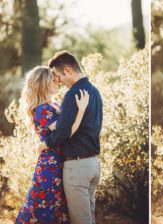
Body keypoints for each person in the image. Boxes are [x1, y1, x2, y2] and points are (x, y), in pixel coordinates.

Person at [16, 66, 89, 223]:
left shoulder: (54, 105)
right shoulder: (42, 110)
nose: (58, 82)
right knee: (45, 210)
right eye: (53, 80)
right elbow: (65, 133)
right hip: (51, 165)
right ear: (44, 84)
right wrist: (81, 111)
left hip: (60, 162)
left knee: (58, 210)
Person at [38, 51, 103, 224]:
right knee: (88, 218)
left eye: (58, 77)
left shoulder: (73, 94)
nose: (58, 82)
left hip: (77, 167)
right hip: (93, 165)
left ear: (67, 70)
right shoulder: (95, 91)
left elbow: (62, 133)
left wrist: (45, 143)